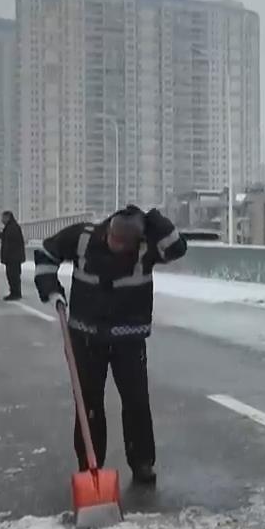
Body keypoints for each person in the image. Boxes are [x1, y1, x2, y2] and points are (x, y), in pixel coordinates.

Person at [34, 206, 188, 485]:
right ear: (108, 231)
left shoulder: (146, 249)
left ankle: (142, 462)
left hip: (129, 338)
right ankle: (89, 466)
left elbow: (177, 247)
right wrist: (51, 289)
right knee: (88, 403)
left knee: (136, 402)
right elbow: (46, 253)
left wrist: (152, 217)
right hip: (85, 336)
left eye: (122, 244)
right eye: (113, 239)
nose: (116, 245)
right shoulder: (83, 237)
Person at [0, 211, 26, 301]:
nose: (2, 220)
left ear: (8, 217)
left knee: (14, 276)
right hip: (12, 257)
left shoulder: (13, 227)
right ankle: (14, 292)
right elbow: (6, 237)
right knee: (12, 275)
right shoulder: (10, 227)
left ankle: (16, 293)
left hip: (13, 257)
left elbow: (10, 239)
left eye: (3, 217)